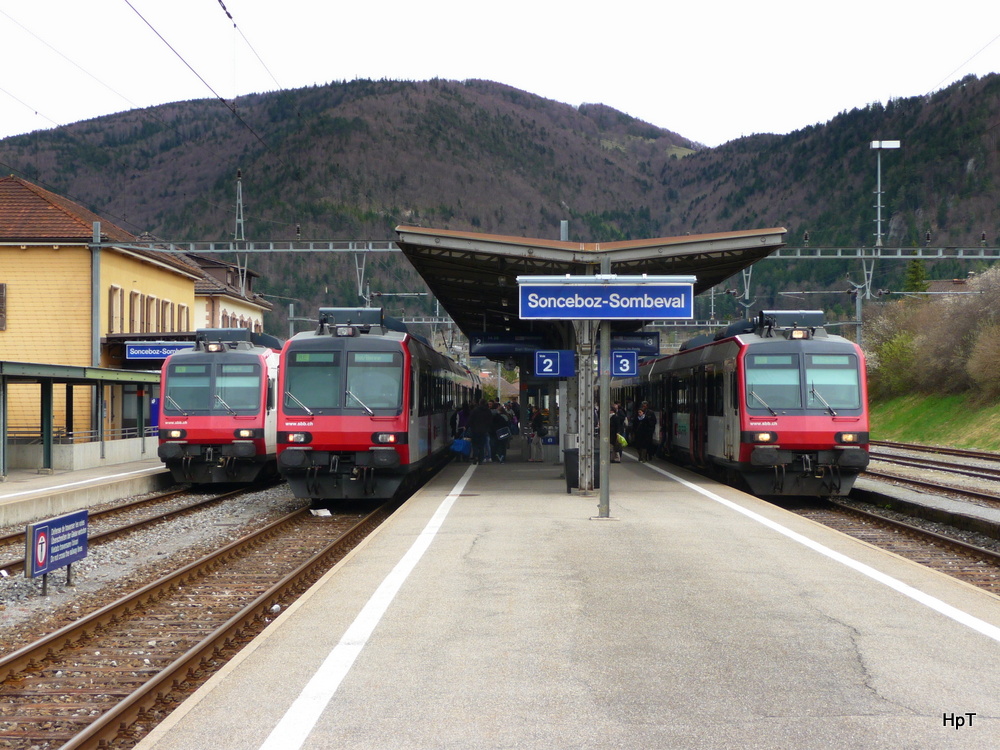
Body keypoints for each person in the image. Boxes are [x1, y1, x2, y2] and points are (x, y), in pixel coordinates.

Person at [467, 399, 493, 465]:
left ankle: (475, 456)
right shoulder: (488, 411)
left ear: (479, 403)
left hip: (475, 430)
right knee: (482, 446)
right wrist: (488, 428)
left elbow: (470, 420)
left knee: (475, 445)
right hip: (484, 431)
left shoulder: (475, 411)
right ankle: (480, 459)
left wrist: (467, 427)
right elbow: (490, 421)